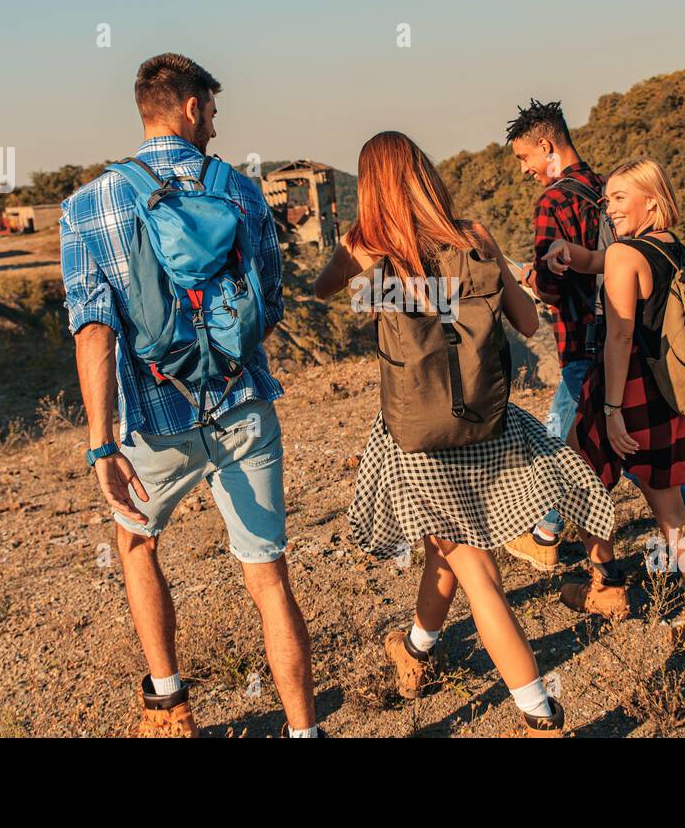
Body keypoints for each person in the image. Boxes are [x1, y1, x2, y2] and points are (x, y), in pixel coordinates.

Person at [314, 131, 617, 736]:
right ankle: (417, 649)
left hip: (419, 440)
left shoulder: (369, 248)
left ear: (371, 188)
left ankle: (540, 715)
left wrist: (358, 254)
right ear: (426, 174)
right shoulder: (474, 236)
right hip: (487, 426)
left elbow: (324, 292)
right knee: (445, 550)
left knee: (478, 572)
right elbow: (528, 321)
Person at [60, 53, 321, 737]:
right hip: (243, 406)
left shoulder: (87, 206)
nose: (215, 120)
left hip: (154, 418)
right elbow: (269, 302)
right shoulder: (239, 190)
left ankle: (171, 704)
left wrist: (101, 445)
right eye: (211, 107)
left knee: (138, 543)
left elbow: (94, 333)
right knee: (269, 577)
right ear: (189, 108)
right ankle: (304, 730)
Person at [501, 99, 685, 573]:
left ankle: (589, 566)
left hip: (594, 350)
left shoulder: (553, 201)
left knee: (581, 463)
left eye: (525, 158)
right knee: (653, 476)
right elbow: (608, 260)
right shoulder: (610, 191)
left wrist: (527, 277)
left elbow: (554, 287)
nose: (524, 170)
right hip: (646, 357)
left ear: (546, 146)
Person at [544, 157, 685, 644]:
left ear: (652, 199)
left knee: (577, 488)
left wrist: (609, 411)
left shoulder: (626, 255)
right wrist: (567, 251)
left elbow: (619, 337)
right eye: (606, 199)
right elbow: (597, 262)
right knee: (671, 510)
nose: (609, 208)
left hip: (622, 394)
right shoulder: (668, 248)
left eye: (619, 198)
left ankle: (607, 586)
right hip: (663, 395)